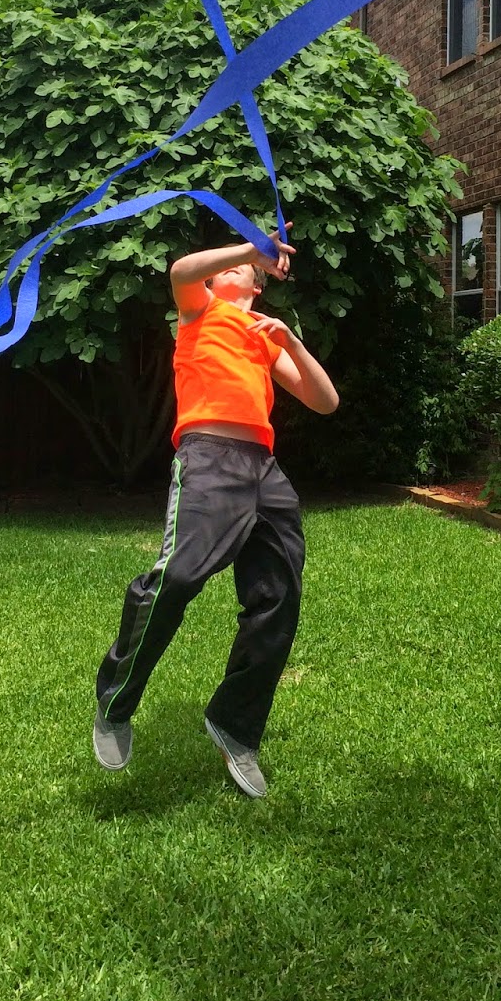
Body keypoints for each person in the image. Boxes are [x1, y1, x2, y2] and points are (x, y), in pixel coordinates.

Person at [93, 227, 339, 797]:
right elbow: (182, 269)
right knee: (178, 576)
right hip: (208, 458)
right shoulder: (199, 312)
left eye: (239, 265)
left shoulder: (264, 335)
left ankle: (235, 725)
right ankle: (116, 701)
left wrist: (292, 342)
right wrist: (253, 249)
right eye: (228, 260)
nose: (225, 266)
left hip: (264, 470)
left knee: (279, 596)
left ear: (256, 285)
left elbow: (325, 402)